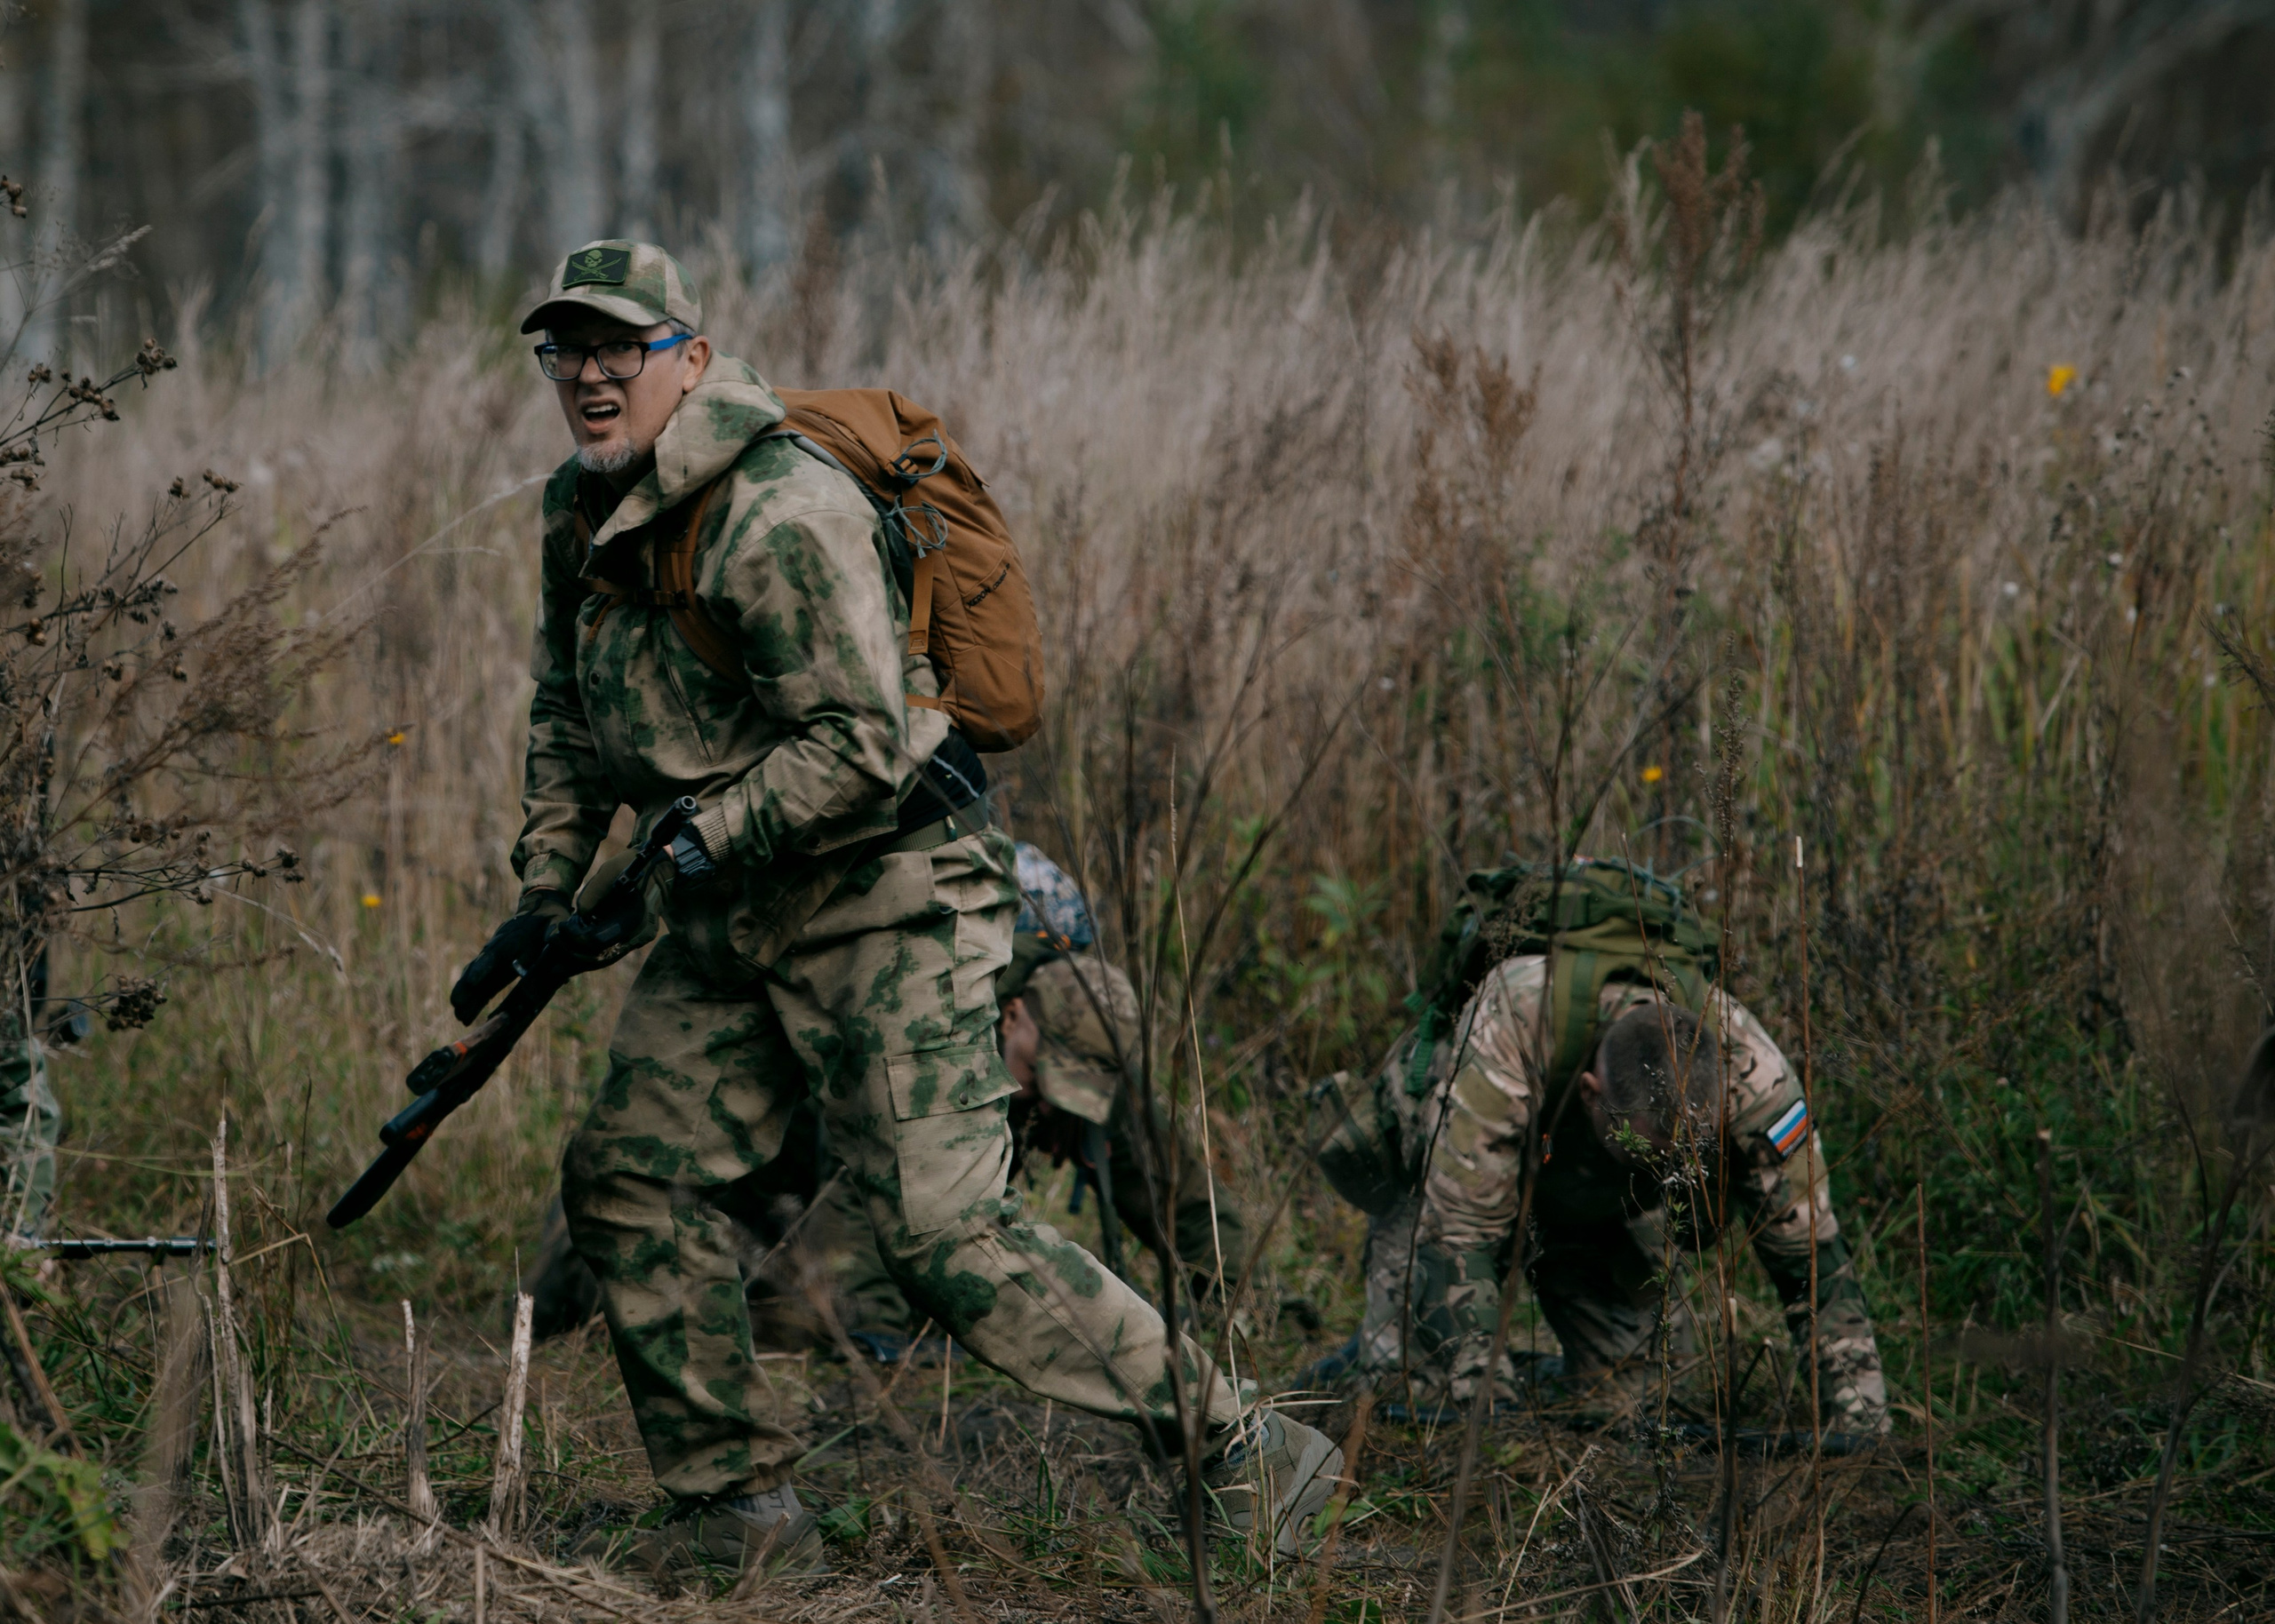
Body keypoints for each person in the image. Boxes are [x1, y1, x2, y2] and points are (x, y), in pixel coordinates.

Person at [463, 240, 1339, 1572]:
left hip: (889, 900)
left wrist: (700, 844)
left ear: (687, 362)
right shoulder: (573, 513)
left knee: (943, 1237)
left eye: (620, 349)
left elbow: (863, 742)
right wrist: (544, 893)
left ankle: (1245, 1445)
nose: (590, 377)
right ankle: (735, 1519)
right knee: (629, 1180)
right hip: (730, 912)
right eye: (565, 352)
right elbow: (567, 718)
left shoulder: (778, 510)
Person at [1313, 870, 1889, 1441]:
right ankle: (1371, 1359)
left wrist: (1860, 1412)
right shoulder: (1511, 1027)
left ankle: (1529, 1365)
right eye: (1650, 1153)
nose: (1673, 1173)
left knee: (1639, 1398)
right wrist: (1484, 1404)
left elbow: (1811, 1257)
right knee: (1426, 1399)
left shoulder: (1754, 1075)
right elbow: (1458, 1234)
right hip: (1448, 1192)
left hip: (1590, 1202)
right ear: (1591, 1092)